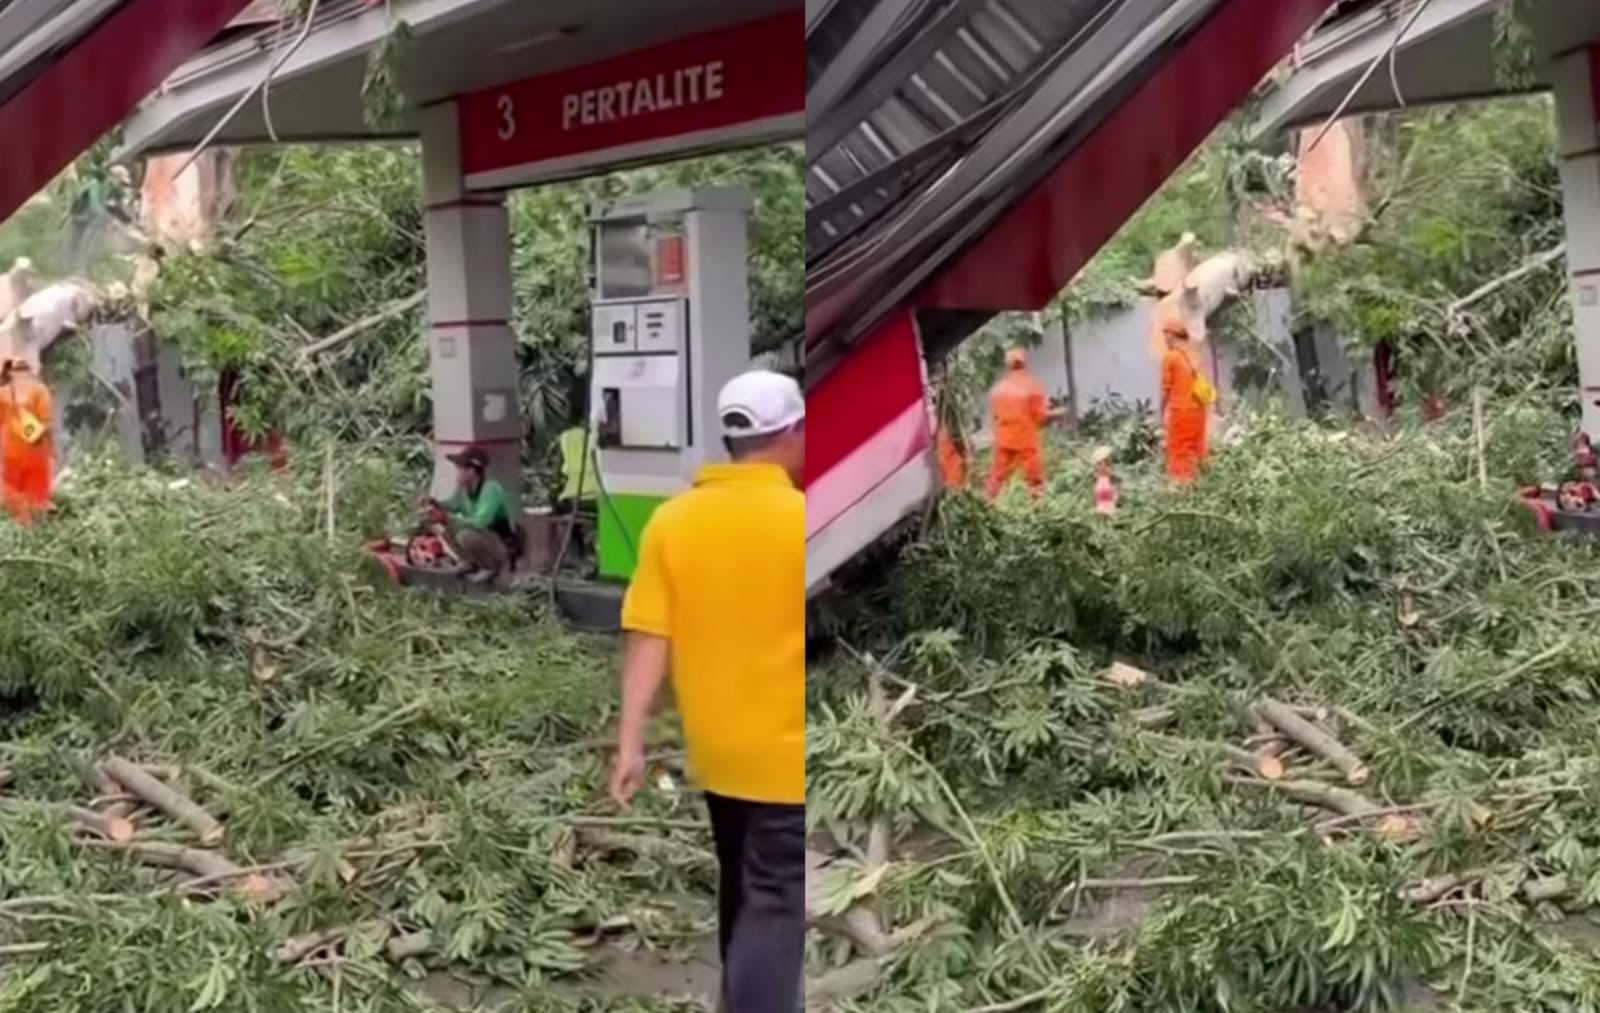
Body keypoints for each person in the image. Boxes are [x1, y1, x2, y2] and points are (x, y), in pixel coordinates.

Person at [609, 368, 805, 1013]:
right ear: (793, 433)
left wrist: (630, 745)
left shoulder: (674, 522)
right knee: (776, 903)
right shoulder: (804, 516)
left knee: (743, 890)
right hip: (789, 756)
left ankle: (734, 995)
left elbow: (647, 637)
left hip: (718, 752)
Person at [423, 446, 516, 581]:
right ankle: (470, 562)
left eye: (460, 469)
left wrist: (447, 517)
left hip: (499, 545)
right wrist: (434, 503)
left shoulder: (491, 490)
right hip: (485, 540)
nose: (457, 474)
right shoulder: (464, 491)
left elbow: (480, 523)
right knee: (444, 526)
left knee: (465, 535)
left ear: (472, 471)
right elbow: (452, 505)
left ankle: (490, 567)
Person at [985, 347, 1063, 500]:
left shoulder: (998, 389)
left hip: (1004, 439)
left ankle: (987, 503)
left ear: (1007, 366)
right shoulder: (1032, 386)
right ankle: (1038, 507)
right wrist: (1057, 414)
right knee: (1034, 478)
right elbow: (1040, 416)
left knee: (997, 476)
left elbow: (995, 417)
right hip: (1025, 439)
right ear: (1024, 363)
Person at [1160, 319, 1215, 484]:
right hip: (1198, 410)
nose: (1164, 339)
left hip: (1181, 411)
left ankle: (1182, 487)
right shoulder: (1193, 355)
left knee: (1179, 449)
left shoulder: (1171, 357)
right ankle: (1207, 480)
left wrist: (1160, 412)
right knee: (1198, 447)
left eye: (1166, 335)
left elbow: (1165, 389)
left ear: (1172, 336)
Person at [0, 359, 52, 525]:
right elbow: (46, 423)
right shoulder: (40, 390)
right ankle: (39, 528)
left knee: (13, 491)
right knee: (37, 495)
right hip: (35, 450)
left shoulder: (2, 394)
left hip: (12, 453)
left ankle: (23, 526)